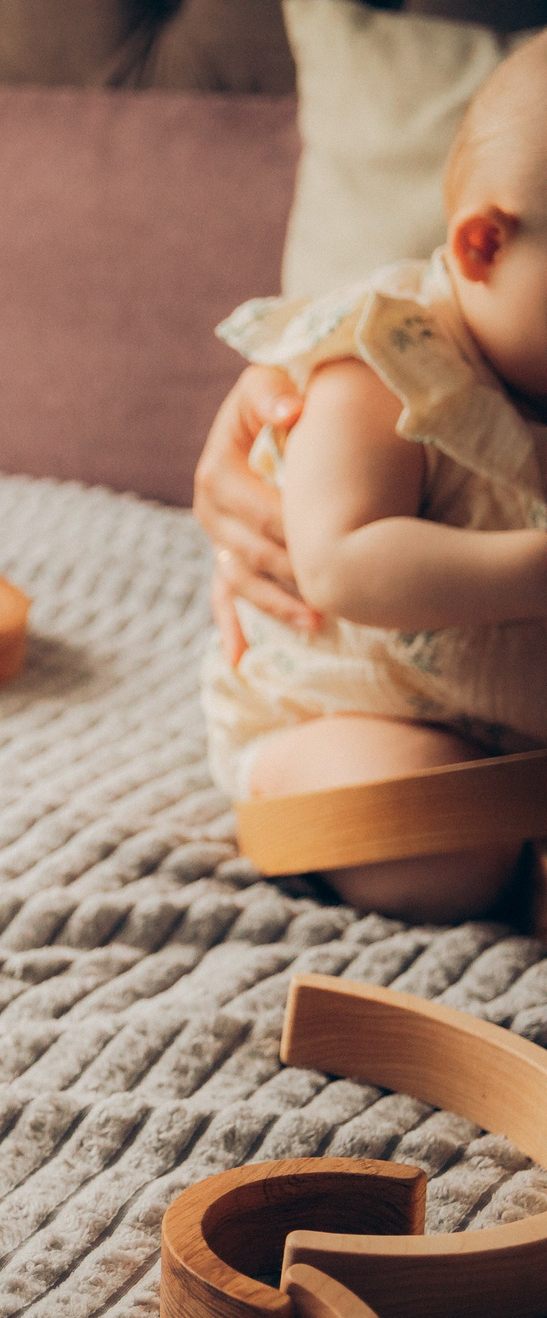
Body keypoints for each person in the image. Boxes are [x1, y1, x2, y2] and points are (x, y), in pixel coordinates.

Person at [196, 35, 547, 922]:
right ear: (483, 245)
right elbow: (342, 562)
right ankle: (277, 781)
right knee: (452, 846)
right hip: (349, 714)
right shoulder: (381, 359)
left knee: (489, 805)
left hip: (504, 723)